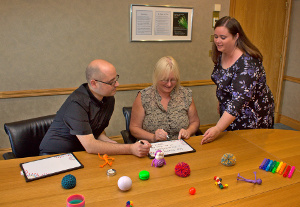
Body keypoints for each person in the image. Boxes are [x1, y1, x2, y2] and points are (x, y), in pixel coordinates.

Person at [39, 59, 151, 157]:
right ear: (94, 83)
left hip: (80, 152)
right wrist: (130, 148)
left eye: (116, 79)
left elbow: (97, 130)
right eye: (111, 82)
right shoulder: (76, 103)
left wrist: (112, 144)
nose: (117, 84)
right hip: (55, 155)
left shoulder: (108, 98)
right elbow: (90, 145)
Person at [201, 16, 275, 145]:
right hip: (232, 110)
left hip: (252, 113)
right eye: (216, 36)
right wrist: (221, 100)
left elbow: (238, 100)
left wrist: (218, 128)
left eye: (223, 37)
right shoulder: (222, 53)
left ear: (236, 37)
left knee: (247, 147)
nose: (218, 41)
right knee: (231, 144)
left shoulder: (248, 63)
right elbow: (223, 82)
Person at [130, 56, 200, 142]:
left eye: (173, 80)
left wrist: (188, 132)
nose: (169, 84)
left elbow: (195, 122)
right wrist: (153, 137)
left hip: (181, 145)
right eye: (165, 80)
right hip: (152, 147)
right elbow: (134, 128)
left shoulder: (186, 94)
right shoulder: (144, 96)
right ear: (157, 77)